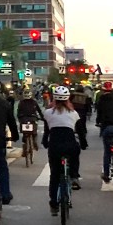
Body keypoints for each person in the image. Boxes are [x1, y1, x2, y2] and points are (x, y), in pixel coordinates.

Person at [42, 85, 87, 215]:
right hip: (69, 145)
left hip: (54, 146)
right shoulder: (73, 113)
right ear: (68, 99)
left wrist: (45, 142)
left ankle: (54, 203)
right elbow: (81, 132)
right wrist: (83, 144)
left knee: (54, 175)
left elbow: (46, 132)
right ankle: (74, 176)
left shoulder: (48, 113)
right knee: (75, 153)